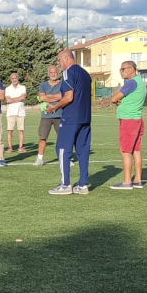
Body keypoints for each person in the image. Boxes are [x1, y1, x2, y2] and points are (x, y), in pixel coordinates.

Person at [46, 50, 92, 195]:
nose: (59, 64)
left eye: (59, 60)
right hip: (85, 118)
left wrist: (54, 107)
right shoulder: (85, 74)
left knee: (62, 149)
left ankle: (65, 184)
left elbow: (69, 97)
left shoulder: (68, 72)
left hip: (71, 118)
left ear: (66, 59)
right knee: (83, 151)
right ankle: (83, 184)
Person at [110, 61, 147, 189]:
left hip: (129, 121)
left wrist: (117, 101)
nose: (122, 71)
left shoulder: (132, 83)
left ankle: (127, 181)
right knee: (136, 150)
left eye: (124, 69)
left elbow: (114, 98)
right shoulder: (140, 82)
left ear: (132, 69)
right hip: (137, 119)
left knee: (126, 151)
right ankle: (138, 179)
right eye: (121, 69)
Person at [36, 65, 63, 166]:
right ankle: (39, 159)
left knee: (63, 138)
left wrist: (49, 97)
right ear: (48, 74)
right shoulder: (43, 85)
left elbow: (63, 96)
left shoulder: (62, 84)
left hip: (60, 115)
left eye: (55, 72)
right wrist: (56, 98)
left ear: (58, 73)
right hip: (46, 116)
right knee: (43, 137)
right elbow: (42, 98)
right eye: (51, 72)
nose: (53, 74)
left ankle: (65, 158)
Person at [4, 72, 27, 153]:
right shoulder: (8, 89)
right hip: (10, 112)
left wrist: (12, 99)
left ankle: (21, 147)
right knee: (10, 130)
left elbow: (23, 97)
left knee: (21, 130)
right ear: (11, 79)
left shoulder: (23, 87)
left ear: (18, 78)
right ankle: (10, 147)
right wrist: (18, 98)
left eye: (15, 78)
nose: (14, 80)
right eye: (13, 78)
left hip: (21, 112)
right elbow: (8, 100)